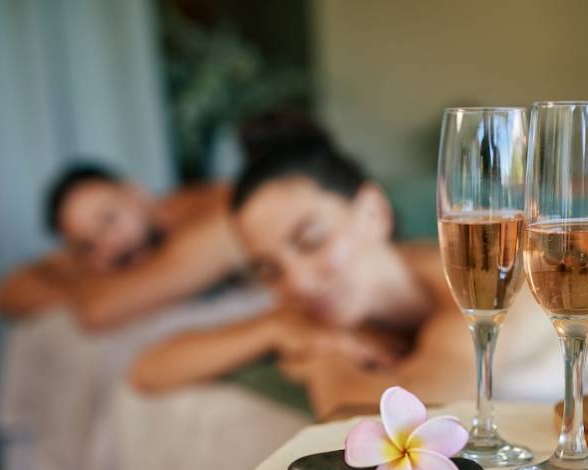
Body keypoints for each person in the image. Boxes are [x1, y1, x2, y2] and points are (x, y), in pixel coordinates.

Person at [130, 135, 546, 417]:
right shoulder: (324, 305)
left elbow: (415, 418)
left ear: (373, 212)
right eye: (268, 270)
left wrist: (321, 362)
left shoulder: (482, 285)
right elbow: (150, 368)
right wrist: (273, 329)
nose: (297, 282)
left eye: (311, 241)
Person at [0, 164, 243, 328]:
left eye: (109, 219)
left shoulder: (208, 212)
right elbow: (5, 293)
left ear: (137, 193)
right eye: (88, 245)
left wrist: (95, 286)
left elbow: (97, 310)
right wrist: (81, 277)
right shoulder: (124, 249)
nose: (110, 245)